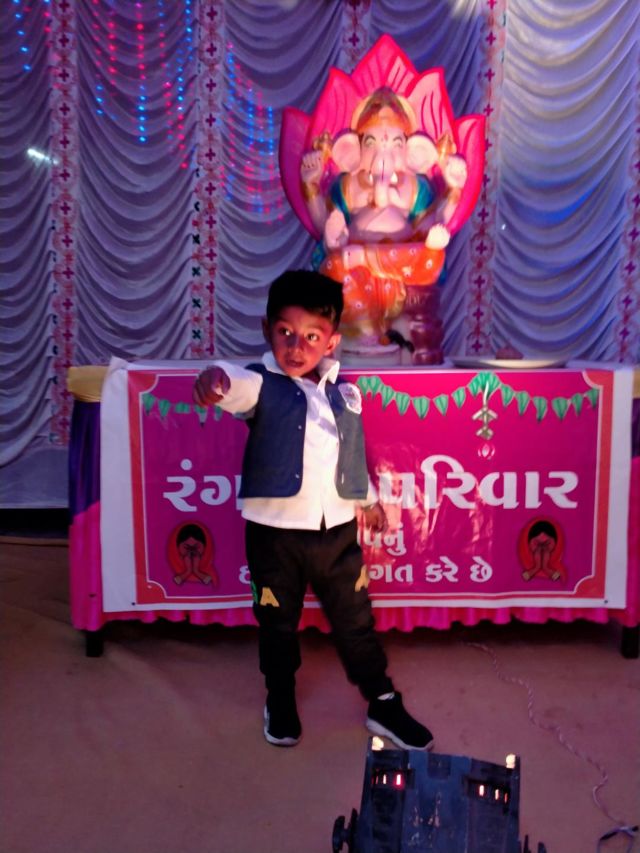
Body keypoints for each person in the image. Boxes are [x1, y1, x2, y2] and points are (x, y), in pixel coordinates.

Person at [193, 269, 433, 750]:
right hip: (274, 536)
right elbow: (233, 384)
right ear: (267, 330)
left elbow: (350, 454)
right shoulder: (261, 384)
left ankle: (382, 700)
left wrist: (367, 500)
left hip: (337, 535)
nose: (296, 347)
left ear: (331, 342)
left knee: (355, 620)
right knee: (277, 623)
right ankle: (280, 696)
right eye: (285, 332)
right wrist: (215, 380)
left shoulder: (344, 394)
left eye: (311, 337)